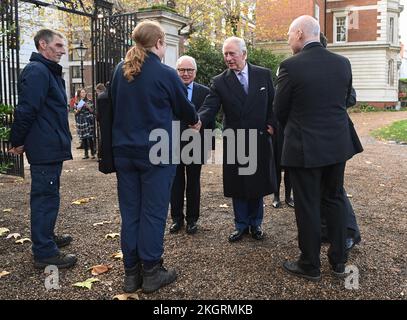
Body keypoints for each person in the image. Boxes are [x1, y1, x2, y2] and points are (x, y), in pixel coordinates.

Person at [110, 20, 200, 294]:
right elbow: (184, 108)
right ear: (160, 43)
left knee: (130, 213)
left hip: (124, 152)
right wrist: (195, 120)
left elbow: (112, 105)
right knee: (152, 212)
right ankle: (151, 272)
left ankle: (130, 274)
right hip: (156, 153)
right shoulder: (164, 73)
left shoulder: (119, 71)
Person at [274, 16, 361, 281]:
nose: (288, 39)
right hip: (337, 145)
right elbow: (347, 100)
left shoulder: (290, 66)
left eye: (289, 34)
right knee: (334, 200)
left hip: (304, 148)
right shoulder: (342, 63)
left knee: (308, 205)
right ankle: (338, 262)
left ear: (300, 33)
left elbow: (279, 110)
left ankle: (310, 264)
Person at [198, 36, 277, 242]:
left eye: (232, 53)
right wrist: (197, 121)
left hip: (259, 137)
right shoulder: (219, 81)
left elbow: (273, 103)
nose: (228, 58)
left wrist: (272, 124)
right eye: (225, 53)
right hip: (235, 138)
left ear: (244, 54)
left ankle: (256, 223)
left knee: (257, 183)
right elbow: (209, 107)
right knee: (238, 183)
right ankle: (241, 224)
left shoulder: (263, 74)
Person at [9, 29, 76, 269]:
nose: (63, 50)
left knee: (50, 196)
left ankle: (46, 237)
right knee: (45, 199)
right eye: (58, 45)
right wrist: (16, 140)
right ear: (42, 45)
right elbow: (26, 109)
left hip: (50, 146)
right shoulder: (38, 71)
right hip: (44, 147)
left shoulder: (48, 71)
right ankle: (44, 251)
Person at [319, 32, 362, 252]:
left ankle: (350, 233)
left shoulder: (337, 66)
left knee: (335, 190)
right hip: (320, 138)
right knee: (323, 189)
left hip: (335, 137)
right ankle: (327, 230)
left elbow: (351, 97)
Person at [169, 55, 210, 235]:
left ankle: (192, 220)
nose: (186, 74)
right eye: (182, 70)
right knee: (175, 183)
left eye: (189, 70)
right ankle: (177, 218)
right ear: (176, 71)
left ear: (195, 71)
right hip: (174, 144)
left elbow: (209, 118)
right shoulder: (169, 90)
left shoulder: (205, 91)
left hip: (196, 144)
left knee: (194, 183)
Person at [74, 88, 96, 159]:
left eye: (84, 92)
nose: (84, 94)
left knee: (90, 136)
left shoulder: (89, 101)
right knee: (84, 137)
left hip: (88, 119)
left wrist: (88, 107)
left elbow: (92, 111)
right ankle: (86, 154)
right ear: (79, 94)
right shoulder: (77, 102)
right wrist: (78, 110)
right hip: (81, 120)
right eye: (82, 92)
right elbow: (75, 113)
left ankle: (93, 153)